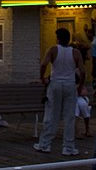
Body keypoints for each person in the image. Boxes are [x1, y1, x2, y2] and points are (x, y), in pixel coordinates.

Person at [34, 27, 86, 157]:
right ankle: (68, 147)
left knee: (52, 115)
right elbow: (83, 71)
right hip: (70, 84)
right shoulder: (75, 52)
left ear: (58, 39)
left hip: (56, 83)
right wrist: (80, 86)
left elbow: (43, 64)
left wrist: (42, 78)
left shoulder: (53, 50)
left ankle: (45, 144)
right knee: (69, 117)